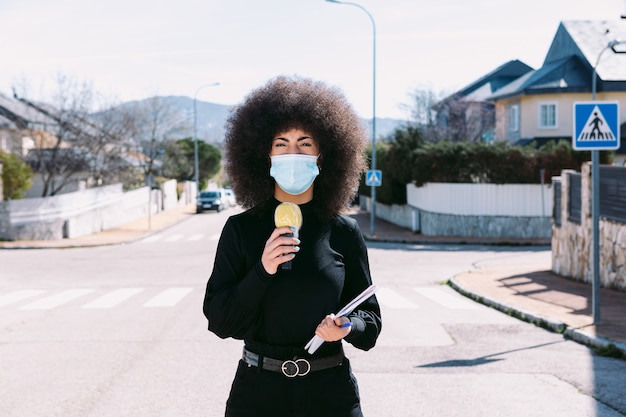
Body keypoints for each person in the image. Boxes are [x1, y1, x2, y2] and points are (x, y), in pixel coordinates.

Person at [203, 75, 382, 417]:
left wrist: (348, 327)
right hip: (258, 394)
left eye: (305, 143)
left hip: (331, 394)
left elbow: (370, 320)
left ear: (323, 155)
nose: (293, 152)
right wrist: (262, 270)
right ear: (265, 155)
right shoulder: (240, 230)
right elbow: (220, 321)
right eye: (281, 144)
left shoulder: (343, 231)